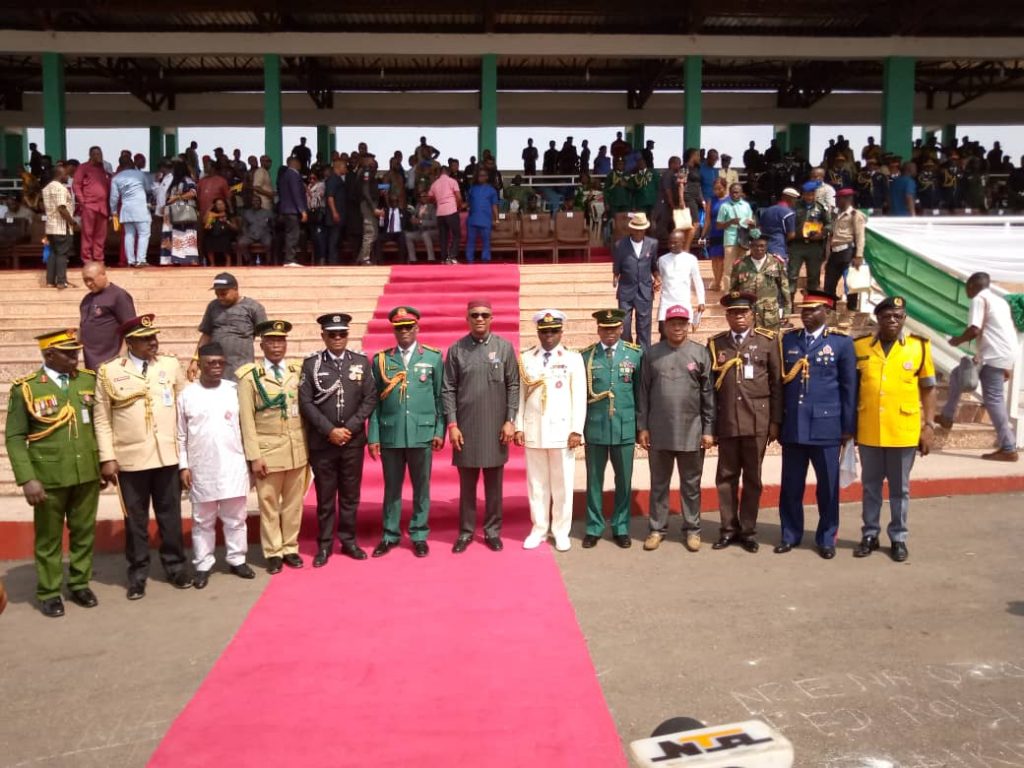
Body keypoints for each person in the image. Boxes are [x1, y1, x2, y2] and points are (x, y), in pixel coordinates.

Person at [93, 315, 193, 599]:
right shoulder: (110, 371)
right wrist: (106, 457)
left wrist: (186, 455)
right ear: (130, 342)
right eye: (147, 338)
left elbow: (184, 410)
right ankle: (137, 573)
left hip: (167, 456)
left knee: (170, 516)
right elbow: (102, 418)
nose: (154, 342)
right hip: (130, 458)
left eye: (154, 337)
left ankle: (175, 566)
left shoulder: (170, 365)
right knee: (135, 520)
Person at [5, 329, 102, 618]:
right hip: (48, 476)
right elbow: (14, 437)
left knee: (84, 532)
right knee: (48, 538)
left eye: (76, 351)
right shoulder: (28, 388)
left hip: (86, 471)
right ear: (49, 355)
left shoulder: (87, 381)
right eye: (68, 353)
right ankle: (48, 591)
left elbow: (98, 425)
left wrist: (104, 462)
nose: (75, 357)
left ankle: (79, 582)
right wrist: (27, 478)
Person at [853, 297, 936, 562]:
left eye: (898, 316)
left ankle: (898, 537)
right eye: (887, 315)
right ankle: (870, 534)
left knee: (900, 489)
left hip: (904, 431)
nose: (892, 320)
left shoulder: (919, 347)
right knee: (870, 486)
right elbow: (853, 389)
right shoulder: (861, 346)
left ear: (904, 319)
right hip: (870, 430)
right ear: (878, 318)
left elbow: (929, 388)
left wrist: (929, 426)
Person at [776, 291, 857, 559]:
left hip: (827, 427)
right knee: (791, 485)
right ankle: (790, 534)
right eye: (804, 310)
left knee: (828, 487)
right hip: (794, 427)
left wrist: (848, 427)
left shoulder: (841, 343)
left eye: (813, 310)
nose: (806, 314)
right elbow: (780, 385)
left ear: (827, 312)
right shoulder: (788, 340)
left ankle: (826, 537)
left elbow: (849, 387)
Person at [299, 313, 378, 567]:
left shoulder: (360, 362)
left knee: (350, 495)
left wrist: (350, 428)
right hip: (323, 443)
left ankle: (348, 540)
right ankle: (324, 545)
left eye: (341, 334)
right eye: (332, 334)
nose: (337, 338)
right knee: (324, 497)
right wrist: (329, 430)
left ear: (348, 335)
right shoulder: (312, 364)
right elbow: (306, 402)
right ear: (323, 336)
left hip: (352, 442)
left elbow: (370, 398)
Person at [442, 299, 520, 553]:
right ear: (467, 318)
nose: (479, 319)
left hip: (497, 427)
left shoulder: (504, 348)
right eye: (474, 314)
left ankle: (492, 531)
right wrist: (452, 424)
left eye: (484, 314)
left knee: (494, 486)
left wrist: (510, 420)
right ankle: (465, 532)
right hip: (465, 428)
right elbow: (448, 388)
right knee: (467, 487)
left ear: (491, 318)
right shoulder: (456, 350)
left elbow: (513, 385)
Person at [367, 307, 445, 559]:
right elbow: (375, 403)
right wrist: (374, 436)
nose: (404, 332)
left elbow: (439, 397)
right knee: (392, 488)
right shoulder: (382, 359)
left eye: (408, 327)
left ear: (417, 328)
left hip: (422, 433)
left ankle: (419, 534)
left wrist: (439, 429)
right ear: (393, 330)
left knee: (422, 487)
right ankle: (390, 535)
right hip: (391, 435)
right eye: (399, 328)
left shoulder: (432, 358)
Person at [707, 292, 781, 553]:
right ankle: (728, 529)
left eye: (743, 313)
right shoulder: (716, 344)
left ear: (752, 315)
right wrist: (711, 426)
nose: (738, 317)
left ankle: (748, 530)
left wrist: (775, 421)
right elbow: (711, 391)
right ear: (727, 316)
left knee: (752, 478)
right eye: (733, 313)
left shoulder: (768, 342)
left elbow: (776, 384)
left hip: (756, 422)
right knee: (725, 477)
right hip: (727, 421)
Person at [637, 305, 715, 552]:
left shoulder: (700, 353)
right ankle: (657, 529)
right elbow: (643, 393)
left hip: (691, 430)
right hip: (659, 431)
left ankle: (692, 529)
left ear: (689, 324)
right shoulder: (651, 354)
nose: (678, 327)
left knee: (691, 484)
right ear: (665, 326)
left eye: (682, 322)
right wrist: (643, 427)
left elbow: (708, 395)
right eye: (673, 323)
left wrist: (708, 429)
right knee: (659, 483)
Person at [176, 342, 254, 588]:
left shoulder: (234, 390)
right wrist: (183, 466)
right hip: (201, 467)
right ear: (199, 365)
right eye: (211, 363)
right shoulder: (187, 394)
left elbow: (246, 428)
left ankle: (237, 558)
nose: (217, 367)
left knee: (235, 518)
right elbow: (180, 435)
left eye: (221, 362)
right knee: (202, 520)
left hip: (233, 464)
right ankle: (203, 563)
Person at [237, 320, 309, 575]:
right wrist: (254, 456)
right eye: (271, 341)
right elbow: (246, 420)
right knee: (269, 504)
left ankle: (290, 547)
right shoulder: (250, 376)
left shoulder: (296, 370)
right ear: (262, 344)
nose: (276, 346)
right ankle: (273, 551)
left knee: (293, 504)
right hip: (268, 452)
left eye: (280, 341)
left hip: (297, 449)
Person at [514, 310, 586, 552]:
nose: (549, 336)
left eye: (554, 331)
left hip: (563, 431)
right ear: (538, 332)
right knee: (536, 484)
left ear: (561, 331)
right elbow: (521, 396)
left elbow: (580, 397)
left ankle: (561, 531)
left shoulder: (573, 358)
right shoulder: (526, 358)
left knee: (562, 484)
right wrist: (519, 426)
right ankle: (539, 528)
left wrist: (577, 429)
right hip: (535, 429)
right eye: (544, 331)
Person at [939, 273, 1019, 461]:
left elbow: (974, 329)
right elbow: (997, 330)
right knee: (958, 374)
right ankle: (947, 416)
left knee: (994, 400)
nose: (967, 290)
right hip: (1001, 353)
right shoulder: (1000, 301)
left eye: (967, 286)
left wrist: (956, 341)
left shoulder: (978, 299)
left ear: (973, 285)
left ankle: (1008, 447)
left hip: (994, 356)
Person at [580, 309, 642, 549]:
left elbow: (640, 394)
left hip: (624, 427)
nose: (609, 333)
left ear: (621, 329)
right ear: (598, 330)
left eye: (614, 328)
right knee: (594, 480)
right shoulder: (587, 357)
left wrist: (641, 426)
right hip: (595, 428)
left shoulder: (635, 355)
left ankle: (621, 526)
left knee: (624, 480)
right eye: (604, 328)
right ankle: (594, 527)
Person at [190, 272, 267, 383]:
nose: (220, 298)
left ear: (235, 289)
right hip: (216, 369)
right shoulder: (213, 306)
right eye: (217, 294)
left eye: (224, 294)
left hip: (242, 370)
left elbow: (266, 338)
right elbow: (206, 335)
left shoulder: (253, 308)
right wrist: (195, 360)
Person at [612, 212, 660, 350]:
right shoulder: (620, 245)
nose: (639, 232)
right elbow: (617, 267)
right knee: (624, 326)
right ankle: (627, 352)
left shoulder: (652, 244)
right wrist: (615, 277)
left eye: (642, 229)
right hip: (626, 290)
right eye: (636, 229)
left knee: (644, 328)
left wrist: (657, 278)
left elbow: (653, 266)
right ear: (631, 229)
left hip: (645, 291)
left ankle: (643, 357)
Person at [79, 262, 137, 371]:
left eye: (91, 279)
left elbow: (131, 328)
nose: (88, 283)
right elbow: (83, 325)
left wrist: (122, 355)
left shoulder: (118, 295)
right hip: (91, 359)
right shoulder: (86, 300)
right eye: (85, 280)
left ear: (103, 274)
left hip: (112, 358)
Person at [730, 233, 791, 332]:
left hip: (769, 315)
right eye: (755, 246)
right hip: (747, 314)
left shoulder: (776, 263)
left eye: (762, 246)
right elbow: (733, 290)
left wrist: (787, 312)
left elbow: (785, 289)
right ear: (750, 246)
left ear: (767, 247)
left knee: (771, 343)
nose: (758, 249)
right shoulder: (740, 265)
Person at [656, 228, 705, 339]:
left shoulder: (691, 259)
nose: (672, 245)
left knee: (681, 334)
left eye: (675, 242)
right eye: (670, 242)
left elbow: (697, 280)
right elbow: (659, 279)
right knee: (663, 332)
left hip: (683, 302)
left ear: (682, 242)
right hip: (666, 302)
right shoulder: (662, 260)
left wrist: (701, 301)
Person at [788, 181, 831, 304]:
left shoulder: (820, 207)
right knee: (792, 275)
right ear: (803, 194)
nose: (809, 197)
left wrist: (822, 233)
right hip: (797, 245)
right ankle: (789, 304)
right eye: (807, 194)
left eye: (811, 194)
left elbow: (829, 224)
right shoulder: (795, 206)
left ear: (815, 194)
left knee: (814, 276)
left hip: (814, 246)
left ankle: (811, 302)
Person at [824, 188, 867, 310]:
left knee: (851, 284)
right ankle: (829, 310)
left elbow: (860, 236)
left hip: (848, 251)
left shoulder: (855, 215)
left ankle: (852, 311)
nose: (836, 201)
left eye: (838, 199)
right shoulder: (836, 214)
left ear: (847, 199)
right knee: (829, 283)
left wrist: (858, 255)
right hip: (835, 251)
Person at [109, 157, 154, 267]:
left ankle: (131, 261)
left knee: (129, 235)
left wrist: (114, 211)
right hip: (140, 208)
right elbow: (149, 189)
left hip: (126, 210)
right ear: (132, 163)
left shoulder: (116, 178)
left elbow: (114, 197)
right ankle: (141, 260)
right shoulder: (140, 175)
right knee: (144, 234)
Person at [41, 163, 78, 289]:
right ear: (60, 175)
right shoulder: (60, 189)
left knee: (53, 253)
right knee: (62, 254)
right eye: (66, 174)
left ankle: (50, 281)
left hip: (51, 227)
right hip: (62, 227)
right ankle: (62, 281)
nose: (67, 176)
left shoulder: (47, 188)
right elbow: (62, 208)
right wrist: (72, 222)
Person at [72, 146, 111, 263]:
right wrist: (82, 201)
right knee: (88, 233)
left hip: (102, 206)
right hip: (89, 205)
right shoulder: (83, 167)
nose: (98, 156)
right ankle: (87, 259)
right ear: (90, 155)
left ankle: (98, 258)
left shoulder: (104, 169)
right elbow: (76, 185)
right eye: (95, 154)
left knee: (101, 235)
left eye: (100, 153)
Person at [716, 182, 755, 292]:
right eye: (732, 193)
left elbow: (751, 221)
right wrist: (730, 222)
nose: (734, 195)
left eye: (737, 193)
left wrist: (751, 224)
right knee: (729, 269)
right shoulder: (724, 206)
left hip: (744, 240)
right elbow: (718, 225)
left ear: (741, 193)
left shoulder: (746, 205)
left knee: (744, 267)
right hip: (730, 240)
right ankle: (728, 293)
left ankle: (743, 292)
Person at [165, 160, 200, 265]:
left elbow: (193, 193)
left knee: (188, 234)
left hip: (186, 210)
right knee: (178, 234)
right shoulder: (175, 182)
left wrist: (177, 197)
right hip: (176, 211)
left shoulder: (187, 180)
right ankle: (179, 258)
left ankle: (191, 258)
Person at [277, 155, 308, 266]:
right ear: (294, 163)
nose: (300, 165)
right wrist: (302, 210)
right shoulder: (293, 175)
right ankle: (290, 259)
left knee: (291, 234)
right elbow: (296, 194)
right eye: (299, 163)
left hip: (286, 209)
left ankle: (290, 259)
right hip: (292, 209)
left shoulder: (285, 175)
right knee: (293, 235)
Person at [465, 167, 499, 263]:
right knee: (470, 242)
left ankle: (485, 262)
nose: (481, 177)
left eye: (483, 175)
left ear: (487, 177)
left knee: (486, 243)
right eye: (479, 175)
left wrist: (496, 219)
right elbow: (468, 203)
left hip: (485, 220)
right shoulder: (472, 189)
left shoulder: (492, 190)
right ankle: (470, 261)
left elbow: (494, 206)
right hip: (472, 220)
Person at [429, 166, 462, 265]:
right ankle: (452, 257)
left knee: (443, 237)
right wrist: (458, 207)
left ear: (440, 173)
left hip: (440, 213)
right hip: (451, 210)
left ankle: (443, 259)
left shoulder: (434, 184)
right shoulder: (452, 181)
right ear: (448, 172)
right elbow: (459, 197)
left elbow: (430, 198)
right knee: (456, 235)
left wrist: (437, 201)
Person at [759, 188, 798, 262]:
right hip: (779, 246)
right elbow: (791, 235)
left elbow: (760, 228)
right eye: (795, 199)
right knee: (779, 270)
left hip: (764, 245)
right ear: (791, 199)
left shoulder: (767, 210)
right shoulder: (789, 213)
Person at [235, 193, 273, 265]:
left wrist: (269, 231)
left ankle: (268, 261)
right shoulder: (247, 213)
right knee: (241, 243)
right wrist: (246, 234)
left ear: (261, 202)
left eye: (257, 201)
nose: (256, 202)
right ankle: (249, 260)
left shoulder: (267, 212)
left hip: (264, 233)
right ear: (251, 202)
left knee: (268, 243)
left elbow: (272, 225)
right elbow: (244, 226)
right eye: (254, 201)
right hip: (251, 234)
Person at [405, 190, 438, 262]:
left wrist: (420, 221)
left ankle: (431, 259)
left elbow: (435, 222)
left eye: (425, 196)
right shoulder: (418, 206)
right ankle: (412, 259)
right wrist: (413, 220)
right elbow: (414, 218)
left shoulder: (432, 207)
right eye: (422, 197)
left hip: (433, 232)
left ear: (428, 197)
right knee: (408, 235)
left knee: (425, 234)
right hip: (420, 232)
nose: (424, 198)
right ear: (419, 198)